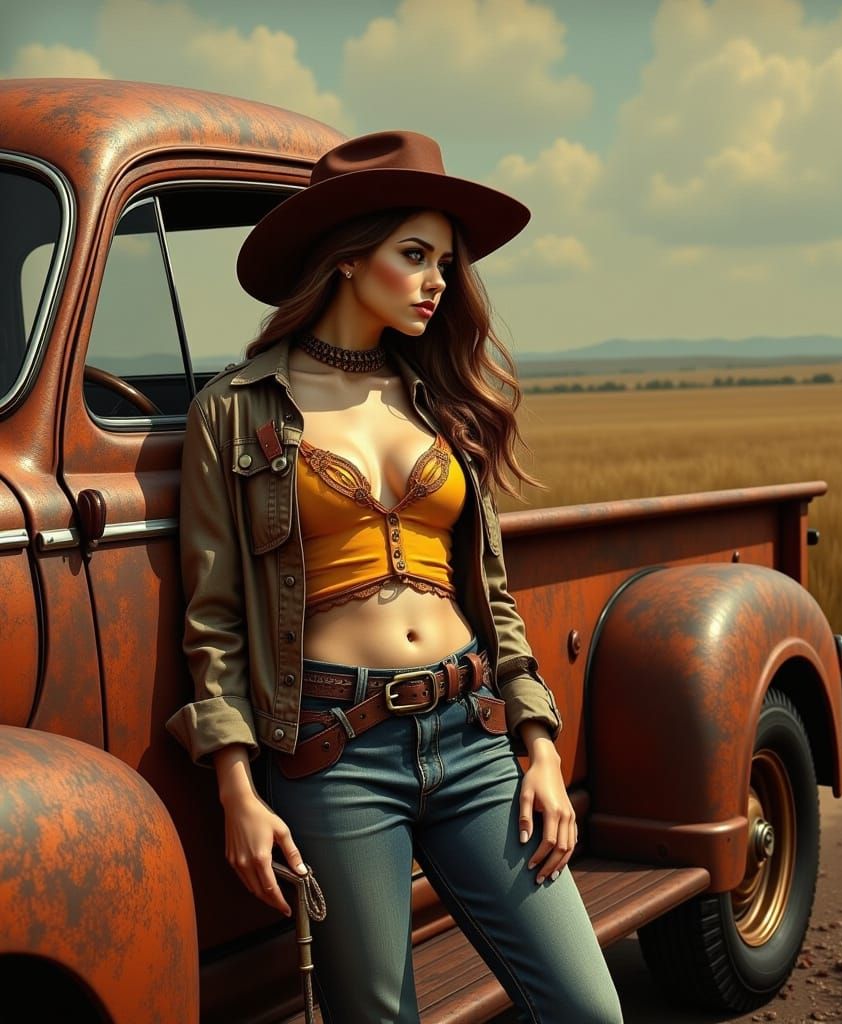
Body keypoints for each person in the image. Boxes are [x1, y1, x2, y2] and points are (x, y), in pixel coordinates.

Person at [167, 130, 623, 1024]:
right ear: (346, 259)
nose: (437, 282)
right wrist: (238, 791)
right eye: (413, 256)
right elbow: (213, 619)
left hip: (471, 733)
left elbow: (490, 596)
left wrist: (537, 747)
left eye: (444, 263)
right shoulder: (234, 411)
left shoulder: (440, 399)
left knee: (587, 1008)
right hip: (333, 752)